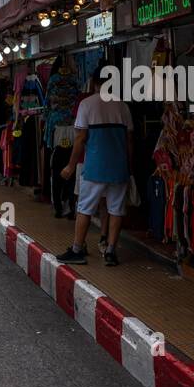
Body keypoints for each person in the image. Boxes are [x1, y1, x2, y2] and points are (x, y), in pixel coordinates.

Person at [57, 68, 134, 267]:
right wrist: (129, 167)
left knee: (85, 208)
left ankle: (77, 249)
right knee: (116, 209)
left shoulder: (86, 104)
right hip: (119, 167)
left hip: (95, 167)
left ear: (94, 83)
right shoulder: (123, 106)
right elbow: (129, 141)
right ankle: (110, 251)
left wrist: (71, 166)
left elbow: (80, 138)